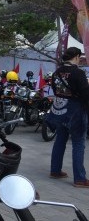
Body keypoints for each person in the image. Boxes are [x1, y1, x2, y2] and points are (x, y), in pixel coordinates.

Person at [46, 47, 89, 187]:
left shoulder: (57, 72)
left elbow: (54, 89)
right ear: (76, 56)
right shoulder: (78, 73)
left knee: (60, 140)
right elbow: (85, 94)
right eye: (79, 57)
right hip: (76, 112)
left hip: (60, 110)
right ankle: (80, 179)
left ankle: (55, 170)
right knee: (78, 143)